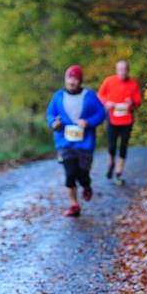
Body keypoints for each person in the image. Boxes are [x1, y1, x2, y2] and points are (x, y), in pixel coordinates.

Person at [46, 65, 107, 217]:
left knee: (82, 174)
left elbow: (101, 113)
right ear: (65, 79)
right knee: (70, 173)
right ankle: (74, 205)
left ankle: (86, 185)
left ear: (80, 81)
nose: (72, 82)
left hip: (85, 143)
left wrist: (89, 122)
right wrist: (54, 123)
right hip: (64, 143)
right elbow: (50, 114)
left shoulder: (90, 95)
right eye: (69, 78)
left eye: (75, 79)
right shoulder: (58, 96)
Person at [98, 60, 142, 185]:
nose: (122, 72)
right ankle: (111, 162)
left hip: (127, 120)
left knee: (123, 146)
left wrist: (132, 102)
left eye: (124, 69)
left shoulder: (133, 83)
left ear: (128, 70)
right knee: (111, 146)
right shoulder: (109, 81)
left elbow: (138, 101)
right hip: (112, 119)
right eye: (120, 69)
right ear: (116, 70)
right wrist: (107, 102)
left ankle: (118, 173)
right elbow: (100, 95)